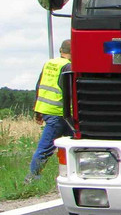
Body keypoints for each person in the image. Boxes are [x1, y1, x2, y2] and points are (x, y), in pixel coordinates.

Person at [26, 39, 72, 183]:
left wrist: (37, 111)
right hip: (59, 113)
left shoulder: (49, 64)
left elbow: (39, 85)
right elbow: (70, 91)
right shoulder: (68, 66)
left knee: (72, 145)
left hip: (48, 110)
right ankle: (31, 179)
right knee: (45, 148)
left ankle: (71, 176)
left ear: (60, 50)